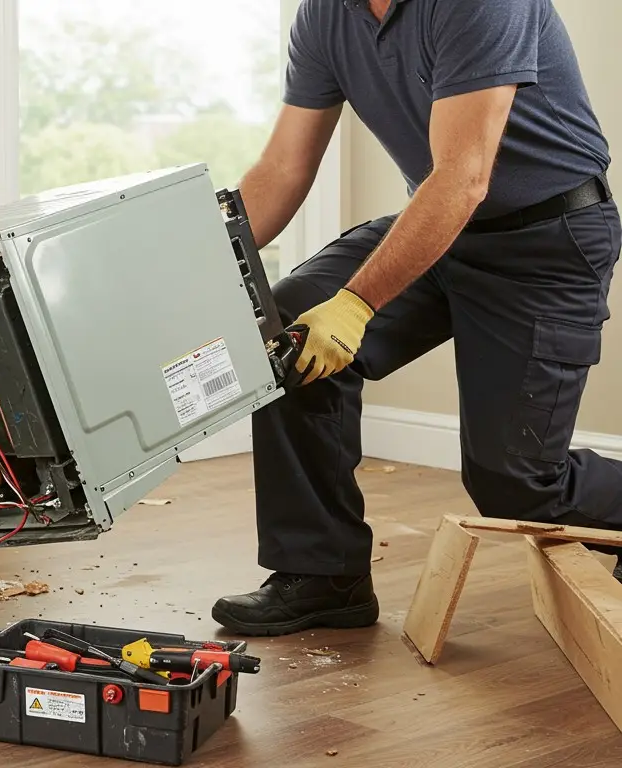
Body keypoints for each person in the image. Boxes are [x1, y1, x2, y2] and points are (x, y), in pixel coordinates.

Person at [211, 0, 621, 637]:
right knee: (288, 325)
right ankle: (323, 575)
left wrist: (354, 304)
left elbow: (463, 177)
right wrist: (205, 282)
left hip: (546, 239)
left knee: (516, 484)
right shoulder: (326, 14)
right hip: (437, 230)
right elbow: (282, 169)